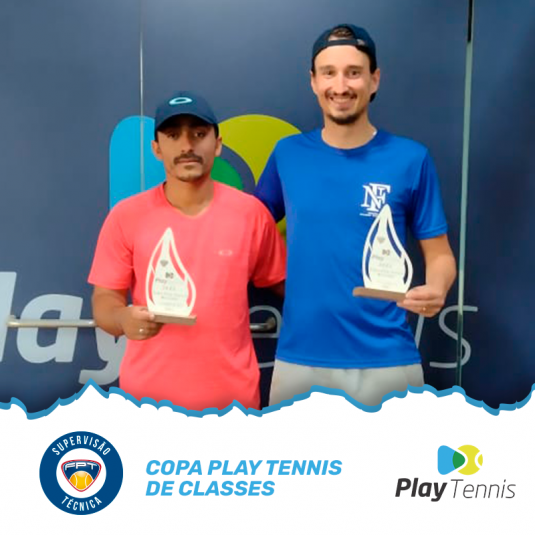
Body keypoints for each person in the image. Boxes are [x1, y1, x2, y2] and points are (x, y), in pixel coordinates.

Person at [255, 24, 457, 406]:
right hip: (300, 361)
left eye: (353, 72)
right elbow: (248, 230)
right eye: (329, 73)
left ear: (374, 79)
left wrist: (438, 287)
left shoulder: (411, 158)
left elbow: (440, 255)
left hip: (387, 362)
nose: (341, 86)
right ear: (313, 81)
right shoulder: (287, 154)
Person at [89, 91, 286, 410]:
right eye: (173, 135)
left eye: (198, 134)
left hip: (233, 405)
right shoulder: (126, 216)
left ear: (217, 144)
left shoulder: (251, 215)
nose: (186, 146)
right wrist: (122, 318)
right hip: (147, 404)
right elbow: (104, 301)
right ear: (156, 148)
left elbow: (288, 285)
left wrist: (351, 302)